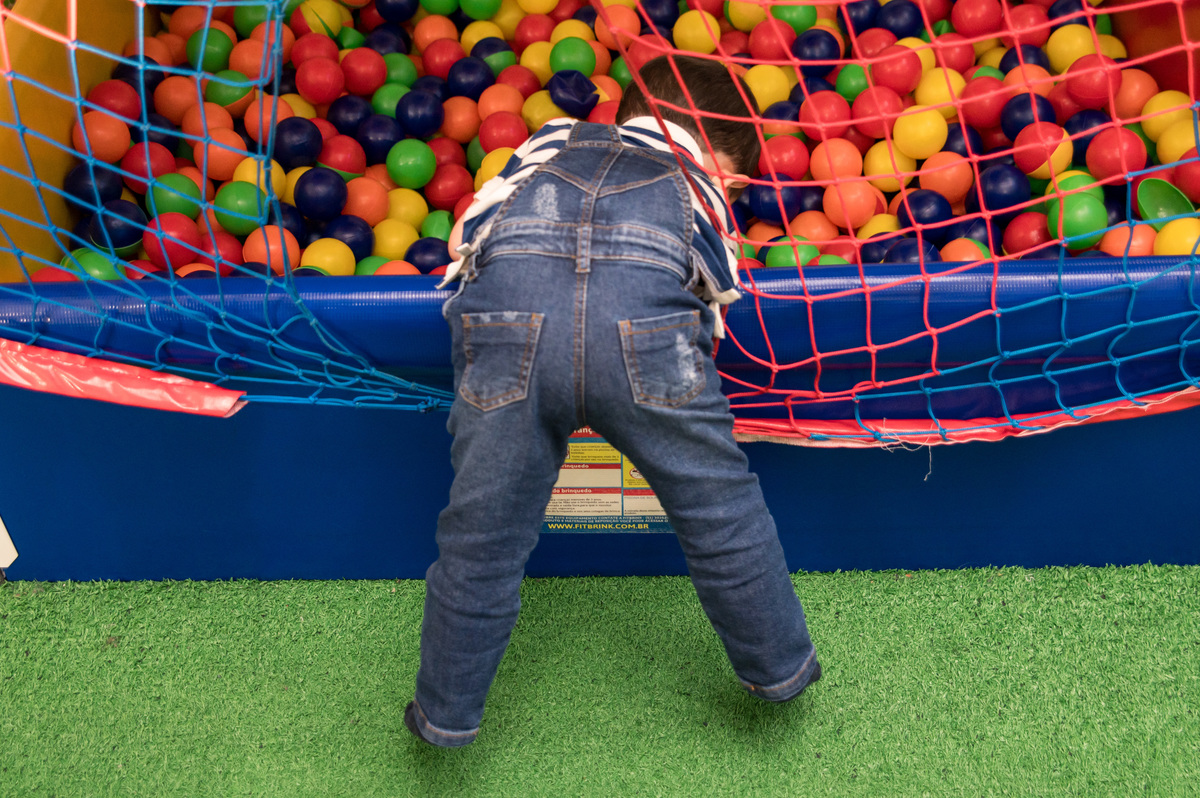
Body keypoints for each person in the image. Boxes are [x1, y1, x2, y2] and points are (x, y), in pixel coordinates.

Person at [404, 55, 820, 748]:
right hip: (645, 335)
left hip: (511, 326)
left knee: (482, 539)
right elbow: (715, 293)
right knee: (721, 509)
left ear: (625, 111)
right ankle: (778, 670)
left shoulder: (549, 139)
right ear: (730, 172)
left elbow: (464, 240)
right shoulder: (702, 188)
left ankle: (445, 715)